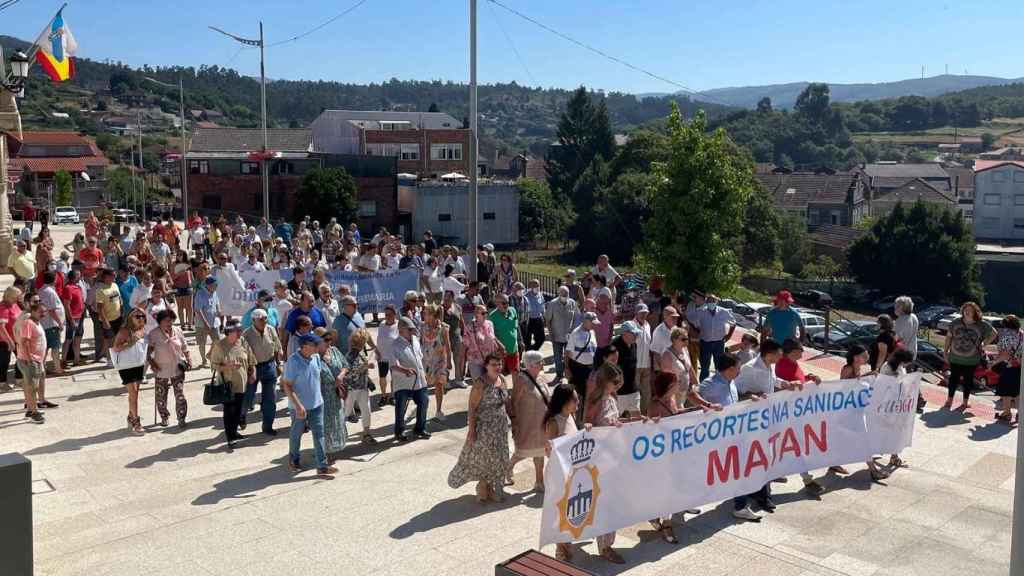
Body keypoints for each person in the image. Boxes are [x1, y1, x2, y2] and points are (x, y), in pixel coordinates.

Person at [732, 339, 804, 519]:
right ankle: (760, 495)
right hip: (752, 420)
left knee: (766, 455)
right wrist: (753, 396)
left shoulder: (768, 366)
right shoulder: (749, 368)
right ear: (769, 353)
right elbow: (738, 391)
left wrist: (786, 384)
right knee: (755, 456)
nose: (781, 357)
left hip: (767, 417)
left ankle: (761, 493)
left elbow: (772, 381)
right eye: (779, 354)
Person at [448, 351, 512, 503]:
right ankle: (483, 487)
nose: (498, 367)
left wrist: (513, 420)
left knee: (498, 458)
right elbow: (472, 408)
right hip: (484, 429)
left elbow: (506, 402)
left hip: (500, 429)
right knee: (484, 458)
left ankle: (492, 488)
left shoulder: (502, 379)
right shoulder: (480, 383)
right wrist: (471, 430)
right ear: (486, 366)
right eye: (494, 365)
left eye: (500, 364)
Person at [582, 363, 626, 564]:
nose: (617, 385)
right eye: (614, 382)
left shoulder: (612, 398)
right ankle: (605, 545)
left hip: (614, 454)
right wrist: (590, 426)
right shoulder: (597, 399)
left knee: (613, 501)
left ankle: (607, 542)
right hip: (601, 457)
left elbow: (613, 420)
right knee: (605, 502)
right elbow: (587, 423)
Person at [282, 333, 337, 476]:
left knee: (319, 434)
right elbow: (287, 386)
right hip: (299, 407)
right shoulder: (292, 362)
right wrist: (298, 406)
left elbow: (317, 378)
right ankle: (294, 459)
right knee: (296, 434)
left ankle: (322, 465)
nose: (318, 346)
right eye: (315, 344)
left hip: (317, 404)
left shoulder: (316, 357)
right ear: (305, 346)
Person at [544, 383, 582, 561]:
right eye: (574, 399)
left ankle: (566, 543)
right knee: (561, 511)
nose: (578, 402)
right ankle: (560, 549)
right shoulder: (554, 421)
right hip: (558, 474)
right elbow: (549, 451)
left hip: (572, 472)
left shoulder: (571, 416)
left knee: (570, 510)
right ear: (564, 401)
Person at [840, 344, 889, 481]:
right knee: (863, 440)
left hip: (855, 410)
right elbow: (842, 387)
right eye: (864, 355)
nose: (867, 357)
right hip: (847, 412)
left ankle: (833, 463)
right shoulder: (847, 368)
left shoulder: (858, 368)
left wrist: (868, 375)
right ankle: (873, 471)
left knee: (843, 440)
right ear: (855, 357)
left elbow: (857, 382)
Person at [943, 301, 996, 412]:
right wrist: (945, 352)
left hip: (971, 359)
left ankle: (965, 402)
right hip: (955, 357)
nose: (967, 312)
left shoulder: (981, 324)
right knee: (953, 379)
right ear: (962, 311)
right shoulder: (955, 322)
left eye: (970, 311)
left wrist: (984, 343)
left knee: (968, 381)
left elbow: (994, 333)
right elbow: (948, 337)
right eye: (965, 310)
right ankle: (949, 400)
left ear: (975, 312)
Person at [211, 321, 256, 447]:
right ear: (229, 332)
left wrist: (252, 372)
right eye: (238, 330)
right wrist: (227, 366)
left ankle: (234, 432)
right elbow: (214, 365)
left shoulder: (242, 341)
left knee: (238, 409)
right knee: (229, 411)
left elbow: (251, 358)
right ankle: (230, 436)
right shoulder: (219, 346)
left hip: (241, 383)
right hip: (228, 385)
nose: (240, 332)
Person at [508, 350, 549, 491]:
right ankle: (507, 468)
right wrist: (514, 422)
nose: (542, 364)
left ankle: (539, 482)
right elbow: (513, 402)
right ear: (530, 365)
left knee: (540, 451)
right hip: (526, 422)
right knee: (522, 451)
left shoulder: (541, 377)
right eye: (539, 362)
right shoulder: (521, 379)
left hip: (541, 422)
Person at [241, 308, 283, 436]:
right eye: (260, 319)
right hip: (253, 368)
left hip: (269, 365)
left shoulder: (270, 330)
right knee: (248, 395)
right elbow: (243, 354)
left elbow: (277, 347)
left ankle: (267, 425)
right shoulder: (246, 334)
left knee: (270, 398)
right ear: (253, 320)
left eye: (265, 318)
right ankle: (242, 414)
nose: (264, 321)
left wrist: (278, 364)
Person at [146, 309, 191, 428]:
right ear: (160, 322)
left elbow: (185, 347)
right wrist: (152, 363)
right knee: (161, 396)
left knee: (180, 394)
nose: (169, 323)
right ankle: (164, 417)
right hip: (161, 368)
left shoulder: (177, 330)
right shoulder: (153, 334)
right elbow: (148, 352)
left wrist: (188, 359)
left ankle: (181, 418)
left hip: (177, 367)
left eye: (171, 320)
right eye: (166, 321)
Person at [391, 317, 431, 442]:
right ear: (401, 330)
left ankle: (420, 428)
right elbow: (393, 364)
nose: (412, 331)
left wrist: (425, 372)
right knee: (401, 407)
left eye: (413, 329)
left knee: (424, 402)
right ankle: (399, 431)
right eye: (409, 329)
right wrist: (405, 370)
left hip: (420, 380)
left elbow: (421, 358)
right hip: (403, 382)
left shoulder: (415, 340)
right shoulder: (395, 345)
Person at [112, 309, 149, 435]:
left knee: (135, 393)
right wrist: (130, 343)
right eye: (137, 316)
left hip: (138, 363)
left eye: (143, 316)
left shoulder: (143, 330)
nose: (140, 318)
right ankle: (136, 422)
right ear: (130, 318)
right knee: (133, 392)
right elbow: (115, 348)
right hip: (126, 365)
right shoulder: (124, 331)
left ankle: (130, 415)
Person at [315, 328, 349, 459]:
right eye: (326, 340)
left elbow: (346, 365)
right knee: (325, 425)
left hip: (336, 395)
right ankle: (326, 453)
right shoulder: (314, 358)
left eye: (330, 339)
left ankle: (335, 447)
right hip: (323, 395)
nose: (329, 342)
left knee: (337, 421)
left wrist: (341, 375)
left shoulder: (334, 351)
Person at [15, 302, 47, 423]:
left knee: (32, 386)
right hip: (30, 360)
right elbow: (24, 342)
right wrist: (30, 359)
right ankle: (34, 413)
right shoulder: (29, 323)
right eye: (41, 312)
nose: (43, 314)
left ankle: (30, 409)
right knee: (32, 387)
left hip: (35, 360)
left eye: (44, 312)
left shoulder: (36, 322)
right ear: (33, 312)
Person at [344, 328, 376, 443]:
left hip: (363, 387)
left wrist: (369, 380)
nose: (364, 344)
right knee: (346, 412)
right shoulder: (350, 355)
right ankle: (339, 433)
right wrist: (365, 367)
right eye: (363, 342)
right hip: (352, 389)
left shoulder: (361, 353)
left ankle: (366, 434)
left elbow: (362, 370)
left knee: (366, 410)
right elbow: (350, 373)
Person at [694, 294, 736, 381]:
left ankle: (718, 384)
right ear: (706, 302)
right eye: (709, 301)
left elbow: (733, 323)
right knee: (704, 367)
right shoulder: (700, 312)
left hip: (719, 343)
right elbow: (696, 326)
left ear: (716, 301)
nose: (711, 303)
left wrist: (728, 335)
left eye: (713, 301)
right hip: (705, 343)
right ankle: (704, 386)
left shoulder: (724, 312)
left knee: (719, 366)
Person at [565, 311, 600, 417]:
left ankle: (586, 417)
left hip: (590, 369)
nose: (594, 325)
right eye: (592, 322)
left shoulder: (592, 332)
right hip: (577, 369)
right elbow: (567, 353)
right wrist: (567, 368)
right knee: (577, 396)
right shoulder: (575, 334)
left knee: (589, 395)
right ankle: (576, 418)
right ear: (585, 321)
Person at [421, 304, 452, 420]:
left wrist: (449, 360)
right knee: (425, 386)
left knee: (439, 385)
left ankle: (439, 410)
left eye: (426, 313)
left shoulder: (443, 328)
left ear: (433, 315)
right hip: (427, 361)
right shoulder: (422, 326)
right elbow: (419, 342)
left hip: (440, 361)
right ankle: (422, 410)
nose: (424, 315)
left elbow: (448, 345)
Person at [545, 286, 579, 384]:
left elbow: (577, 317)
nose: (565, 296)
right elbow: (548, 319)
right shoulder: (552, 304)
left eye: (566, 294)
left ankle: (569, 374)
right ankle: (559, 375)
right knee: (557, 357)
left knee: (570, 356)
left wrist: (574, 331)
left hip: (569, 336)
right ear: (559, 294)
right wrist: (550, 333)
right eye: (563, 294)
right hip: (557, 335)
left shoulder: (572, 303)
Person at [659, 327, 700, 408]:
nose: (686, 341)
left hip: (686, 392)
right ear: (674, 340)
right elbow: (667, 379)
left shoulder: (685, 350)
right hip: (675, 395)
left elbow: (690, 368)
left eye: (687, 338)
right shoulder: (667, 355)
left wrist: (696, 384)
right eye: (683, 339)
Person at [994, 315, 1023, 424]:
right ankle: (1020, 414)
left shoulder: (1007, 336)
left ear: (1006, 325)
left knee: (1006, 392)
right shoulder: (1022, 335)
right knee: (1017, 392)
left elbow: (1004, 355)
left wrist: (993, 363)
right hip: (1020, 368)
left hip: (1008, 367)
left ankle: (1006, 413)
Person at [37, 271, 65, 375]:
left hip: (46, 324)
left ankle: (42, 369)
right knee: (55, 348)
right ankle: (58, 369)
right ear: (54, 279)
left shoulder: (42, 290)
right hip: (51, 324)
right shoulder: (49, 292)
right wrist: (60, 323)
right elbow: (52, 310)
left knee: (46, 347)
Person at [95, 268, 123, 367]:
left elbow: (119, 299)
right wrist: (105, 321)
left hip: (118, 317)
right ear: (106, 277)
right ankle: (109, 359)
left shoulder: (115, 285)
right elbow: (99, 308)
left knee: (117, 339)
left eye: (114, 275)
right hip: (107, 319)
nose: (114, 277)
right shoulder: (100, 290)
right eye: (112, 275)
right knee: (109, 340)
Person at [464, 304, 501, 380]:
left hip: (489, 360)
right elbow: (465, 344)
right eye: (483, 313)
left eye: (486, 312)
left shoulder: (490, 324)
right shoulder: (469, 326)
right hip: (475, 361)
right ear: (476, 314)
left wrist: (500, 347)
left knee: (490, 383)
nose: (485, 315)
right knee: (479, 384)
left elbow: (493, 338)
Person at [612, 321, 641, 418]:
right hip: (619, 392)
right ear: (625, 333)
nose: (636, 335)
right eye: (634, 333)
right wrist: (613, 391)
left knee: (637, 419)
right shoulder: (614, 347)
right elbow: (610, 369)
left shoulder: (634, 345)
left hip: (633, 389)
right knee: (617, 420)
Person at [193, 277, 222, 368]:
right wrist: (205, 323)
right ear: (209, 285)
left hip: (214, 322)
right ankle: (203, 360)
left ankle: (209, 354)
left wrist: (219, 310)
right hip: (201, 323)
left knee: (217, 341)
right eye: (215, 285)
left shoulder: (215, 292)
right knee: (202, 342)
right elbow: (198, 310)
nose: (216, 286)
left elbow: (217, 303)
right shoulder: (200, 294)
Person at [489, 293, 520, 374]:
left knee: (516, 373)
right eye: (504, 303)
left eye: (507, 302)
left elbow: (516, 326)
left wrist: (520, 340)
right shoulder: (492, 316)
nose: (506, 305)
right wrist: (500, 346)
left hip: (514, 349)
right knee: (499, 375)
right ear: (497, 304)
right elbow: (491, 335)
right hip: (501, 352)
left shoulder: (513, 310)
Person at [376, 304, 400, 406]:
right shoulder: (381, 324)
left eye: (389, 314)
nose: (387, 317)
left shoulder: (399, 325)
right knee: (382, 377)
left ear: (395, 314)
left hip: (394, 357)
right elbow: (378, 339)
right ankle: (383, 396)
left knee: (394, 377)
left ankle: (393, 395)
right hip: (382, 356)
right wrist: (377, 353)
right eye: (386, 314)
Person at [632, 304, 654, 415]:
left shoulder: (648, 325)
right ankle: (636, 415)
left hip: (646, 364)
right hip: (635, 365)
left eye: (645, 313)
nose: (644, 315)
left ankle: (646, 414)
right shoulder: (631, 326)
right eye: (641, 313)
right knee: (635, 393)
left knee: (647, 392)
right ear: (636, 313)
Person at [0, 287, 22, 393]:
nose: (18, 299)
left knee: (21, 358)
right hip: (4, 341)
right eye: (16, 297)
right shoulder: (3, 307)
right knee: (4, 362)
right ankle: (2, 383)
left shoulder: (14, 304)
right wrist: (10, 341)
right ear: (10, 296)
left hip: (17, 338)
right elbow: (1, 327)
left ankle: (19, 380)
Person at [649, 306, 681, 372]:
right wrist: (663, 369)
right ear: (665, 317)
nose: (676, 319)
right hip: (663, 368)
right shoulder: (658, 331)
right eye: (673, 317)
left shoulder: (676, 329)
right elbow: (656, 353)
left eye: (676, 317)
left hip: (675, 366)